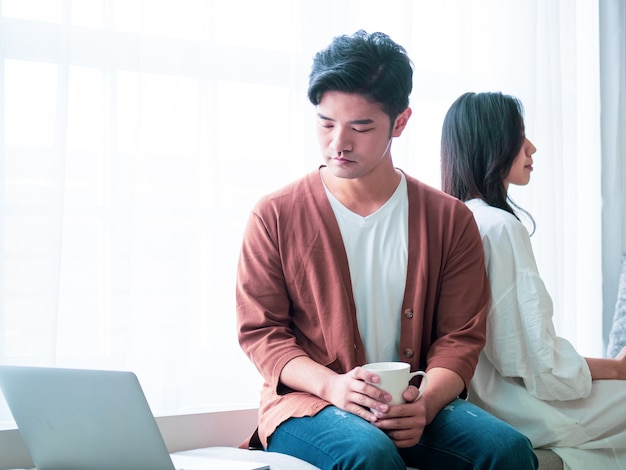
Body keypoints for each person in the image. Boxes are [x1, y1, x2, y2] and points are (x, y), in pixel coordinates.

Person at [235, 31, 537, 470]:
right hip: (311, 404)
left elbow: (461, 337)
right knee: (369, 453)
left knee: (508, 451)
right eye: (325, 123)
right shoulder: (274, 215)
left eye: (360, 126)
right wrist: (335, 387)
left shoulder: (449, 219)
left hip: (411, 401)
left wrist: (426, 405)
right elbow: (261, 334)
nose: (339, 143)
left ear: (400, 122)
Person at [440, 91, 626, 469]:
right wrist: (618, 368)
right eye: (519, 135)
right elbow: (535, 363)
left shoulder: (452, 220)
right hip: (511, 407)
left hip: (473, 401)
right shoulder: (500, 227)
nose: (533, 147)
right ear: (492, 145)